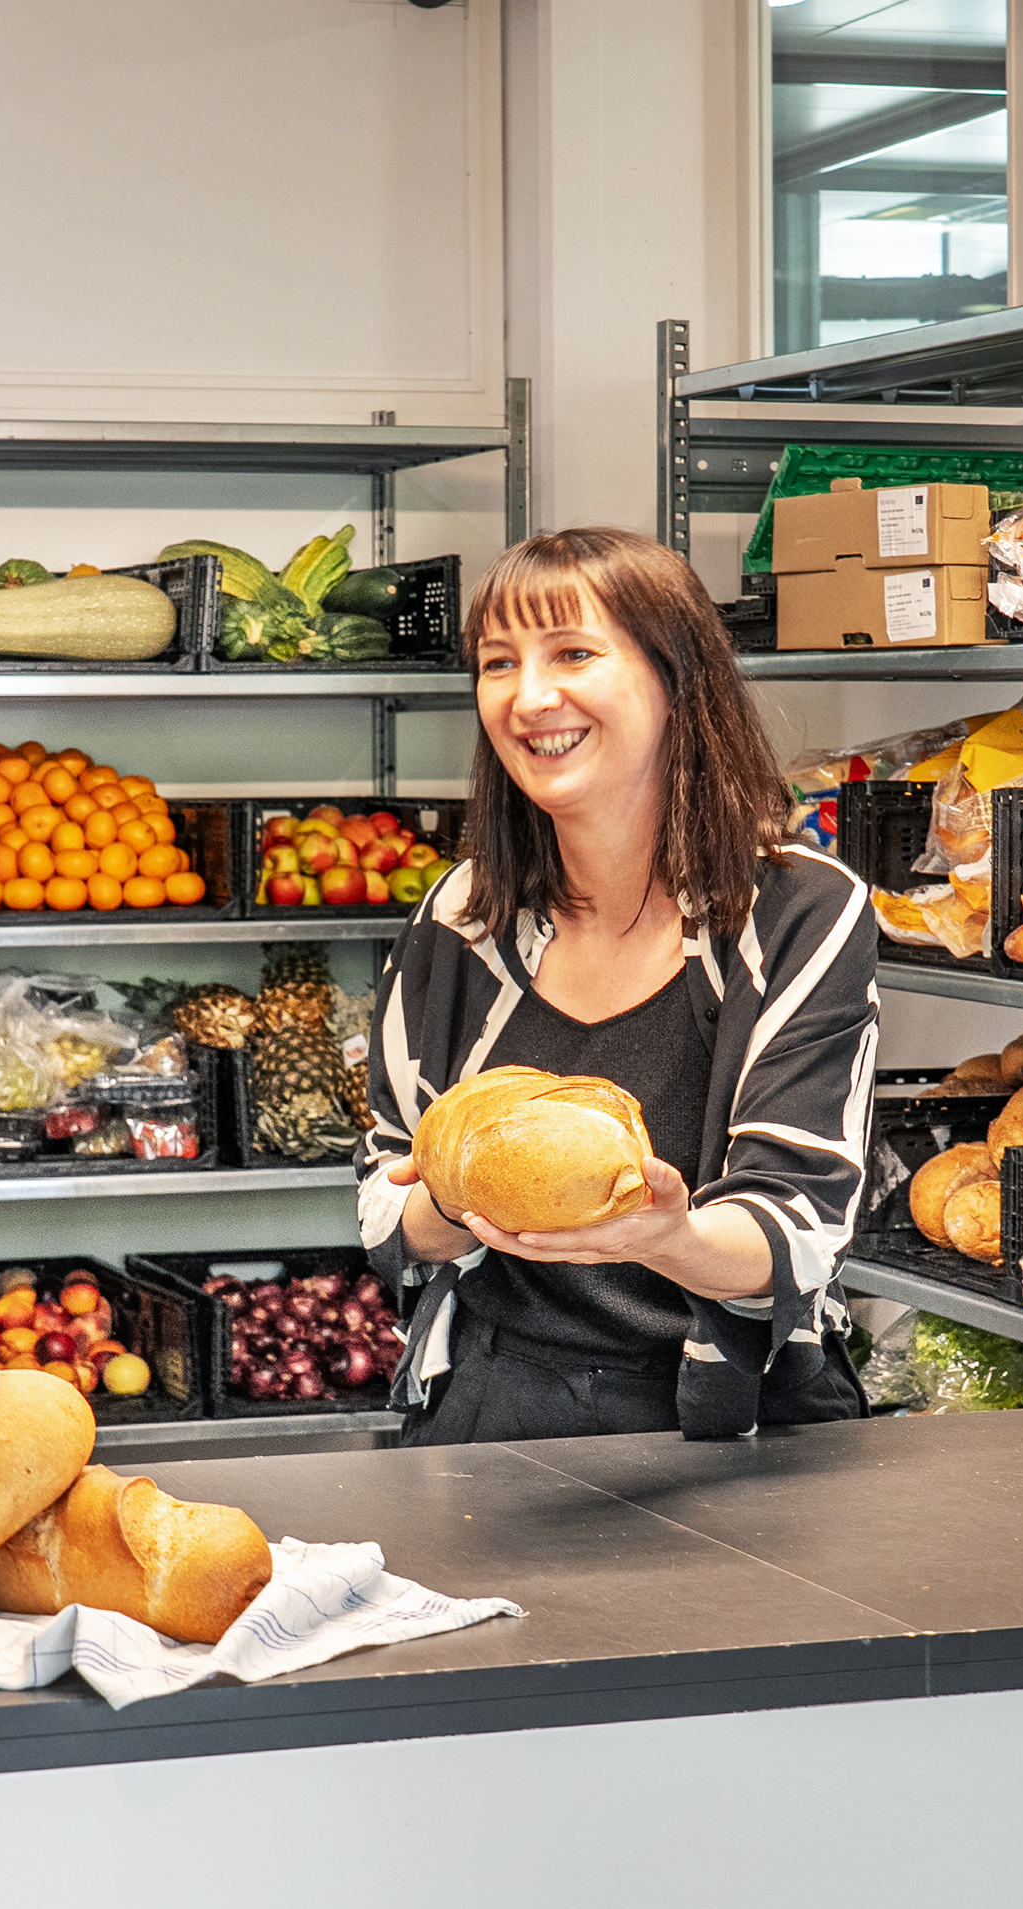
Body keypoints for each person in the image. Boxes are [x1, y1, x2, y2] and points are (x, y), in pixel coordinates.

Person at [359, 526, 877, 1444]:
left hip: (732, 1419)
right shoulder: (463, 914)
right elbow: (384, 1203)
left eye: (572, 654)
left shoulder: (797, 909)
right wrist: (456, 1198)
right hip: (494, 1406)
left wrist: (666, 1238)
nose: (528, 697)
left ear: (677, 678)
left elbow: (796, 1226)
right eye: (497, 663)